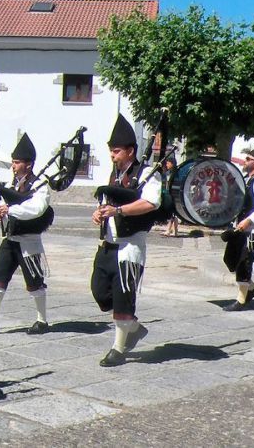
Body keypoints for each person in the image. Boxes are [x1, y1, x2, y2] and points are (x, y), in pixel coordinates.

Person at [90, 114, 161, 367]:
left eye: (117, 151)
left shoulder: (148, 173)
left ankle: (118, 348)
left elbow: (151, 202)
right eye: (111, 151)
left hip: (129, 247)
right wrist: (100, 211)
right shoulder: (114, 175)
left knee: (123, 297)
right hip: (107, 245)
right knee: (100, 293)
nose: (112, 156)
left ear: (131, 151)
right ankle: (133, 327)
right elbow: (107, 200)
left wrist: (118, 211)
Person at [0, 133, 51, 335]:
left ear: (29, 165)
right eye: (12, 162)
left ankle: (42, 321)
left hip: (29, 241)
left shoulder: (40, 185)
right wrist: (1, 213)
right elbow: (5, 203)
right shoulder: (11, 185)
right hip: (10, 239)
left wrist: (11, 210)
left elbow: (37, 209)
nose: (13, 166)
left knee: (34, 281)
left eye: (16, 163)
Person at [221, 144, 254, 312]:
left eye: (249, 159)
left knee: (244, 262)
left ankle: (242, 300)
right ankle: (252, 288)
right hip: (241, 229)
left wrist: (249, 220)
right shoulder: (247, 180)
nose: (245, 161)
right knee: (230, 259)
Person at [161, 156, 179, 237]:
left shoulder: (175, 173)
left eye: (168, 163)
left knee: (172, 212)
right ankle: (175, 231)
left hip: (173, 194)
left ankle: (168, 230)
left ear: (172, 163)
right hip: (169, 193)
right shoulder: (168, 173)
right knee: (173, 213)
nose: (166, 165)